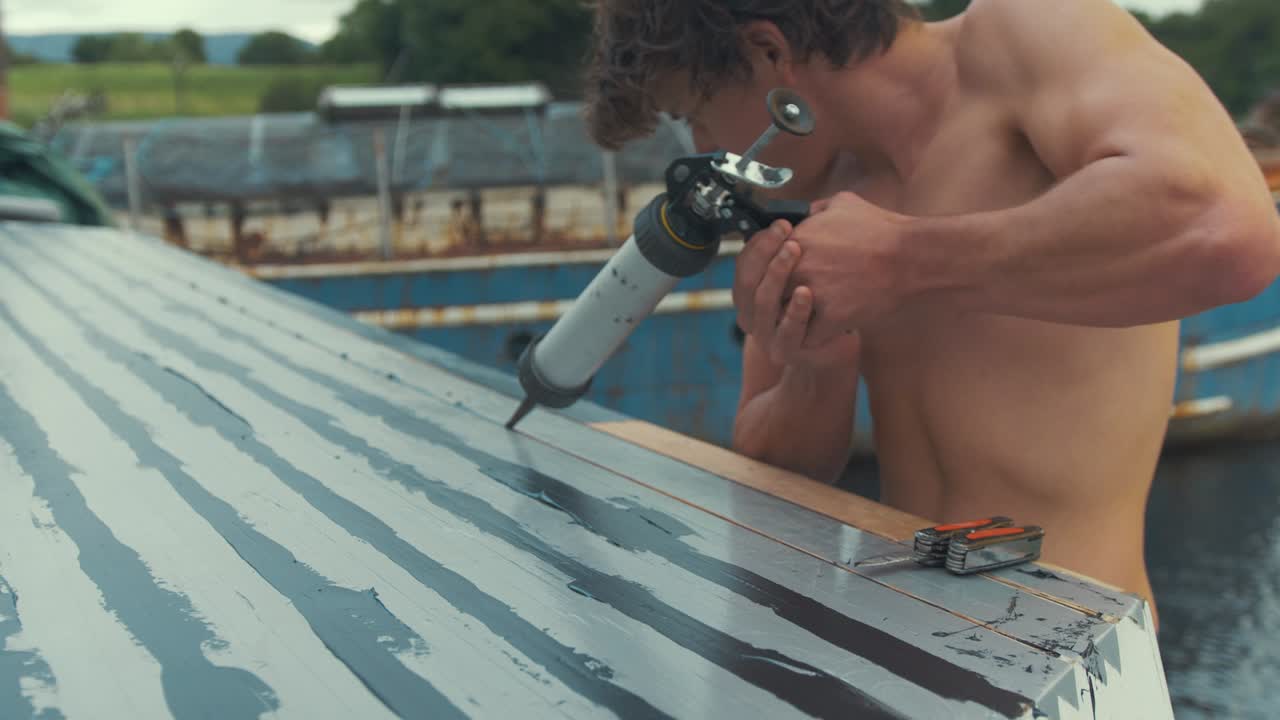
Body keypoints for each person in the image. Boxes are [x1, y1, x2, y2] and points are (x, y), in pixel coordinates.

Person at [581, 0, 1280, 618]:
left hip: (1084, 656)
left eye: (693, 115)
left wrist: (902, 261)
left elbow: (1230, 231)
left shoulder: (1023, 31)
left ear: (767, 52)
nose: (707, 149)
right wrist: (816, 369)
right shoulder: (812, 200)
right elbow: (774, 468)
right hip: (914, 654)